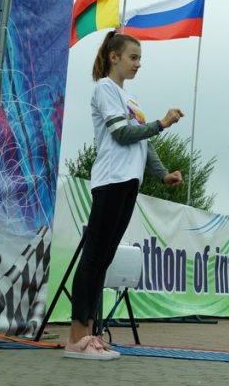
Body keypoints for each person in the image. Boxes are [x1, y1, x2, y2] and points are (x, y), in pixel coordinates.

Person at [65, 32, 184, 360]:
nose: (138, 64)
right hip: (111, 180)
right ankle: (77, 337)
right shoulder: (104, 88)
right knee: (92, 257)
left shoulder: (131, 100)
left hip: (128, 182)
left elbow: (143, 144)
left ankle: (91, 334)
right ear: (114, 57)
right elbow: (121, 134)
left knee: (103, 259)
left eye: (140, 59)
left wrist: (162, 173)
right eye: (133, 57)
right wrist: (162, 123)